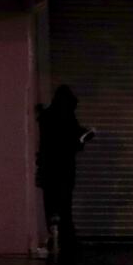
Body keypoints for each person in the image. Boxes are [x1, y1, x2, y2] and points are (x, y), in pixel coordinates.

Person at [35, 84, 93, 253]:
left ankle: (55, 239)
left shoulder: (47, 117)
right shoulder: (67, 117)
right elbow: (72, 141)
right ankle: (66, 240)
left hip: (49, 169)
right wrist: (83, 138)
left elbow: (49, 141)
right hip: (64, 169)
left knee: (51, 206)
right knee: (65, 206)